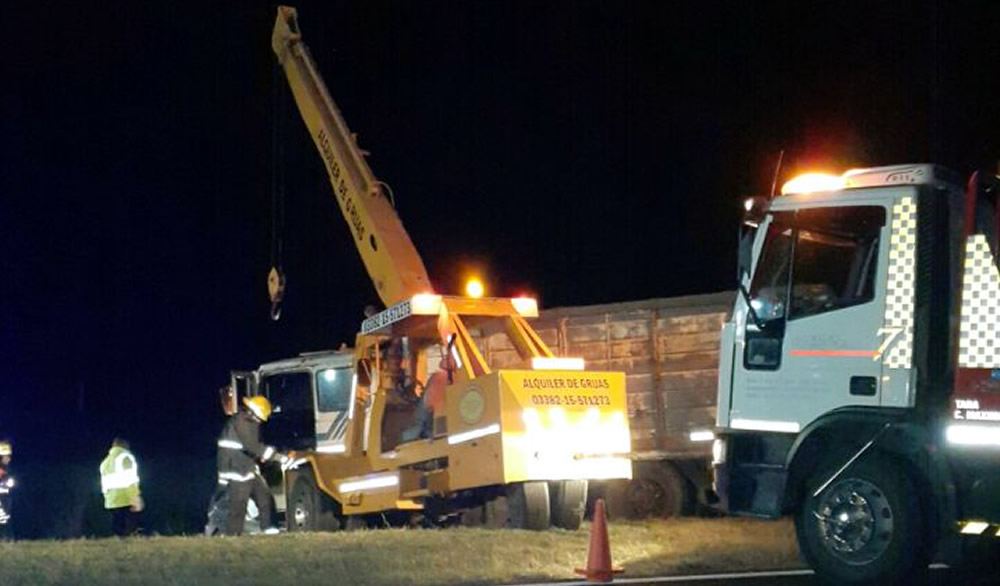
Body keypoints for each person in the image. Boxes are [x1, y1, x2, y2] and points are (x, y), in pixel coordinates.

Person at [217, 395, 285, 535]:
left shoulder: (246, 421)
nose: (261, 422)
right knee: (238, 506)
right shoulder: (243, 423)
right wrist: (277, 457)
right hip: (237, 471)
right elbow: (252, 446)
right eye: (260, 418)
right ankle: (233, 535)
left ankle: (267, 528)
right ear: (256, 412)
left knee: (264, 496)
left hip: (247, 467)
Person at [100, 437, 143, 537]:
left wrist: (108, 498)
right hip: (125, 498)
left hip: (111, 500)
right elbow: (130, 478)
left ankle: (118, 545)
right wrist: (135, 496)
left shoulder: (105, 462)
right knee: (132, 527)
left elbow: (104, 483)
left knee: (117, 527)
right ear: (125, 445)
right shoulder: (125, 457)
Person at [0, 441, 15, 539]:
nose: (8, 458)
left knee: (6, 519)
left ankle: (6, 539)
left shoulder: (7, 469)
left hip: (6, 497)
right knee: (2, 519)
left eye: (9, 456)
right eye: (5, 456)